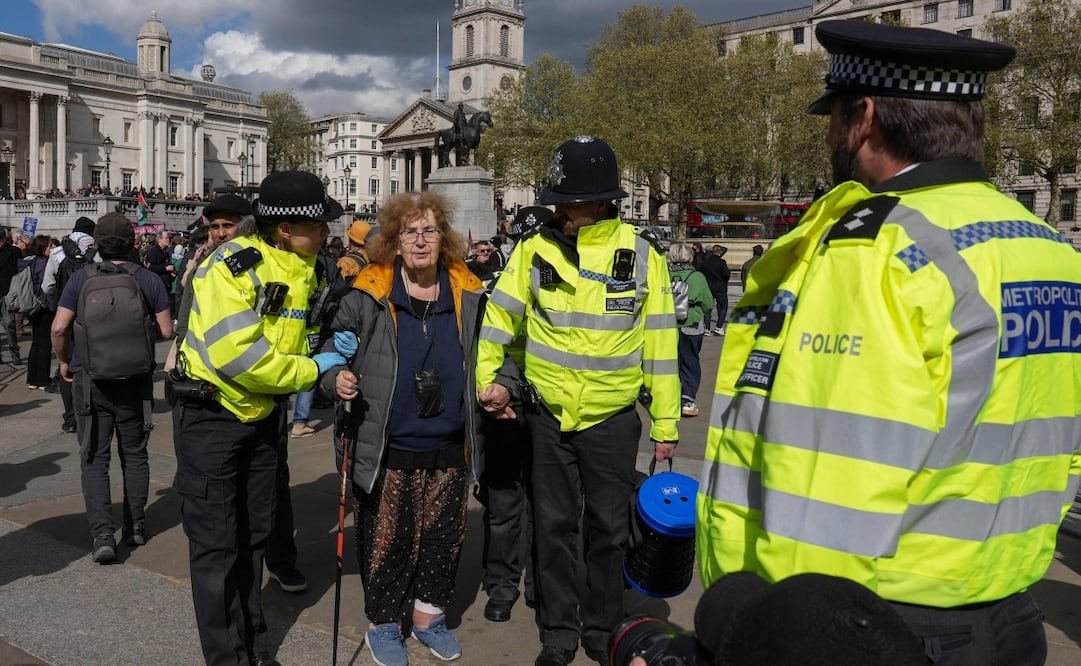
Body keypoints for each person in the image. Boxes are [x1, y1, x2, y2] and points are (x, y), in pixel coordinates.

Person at [697, 20, 1081, 666]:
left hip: (875, 624)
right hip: (1009, 610)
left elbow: (824, 488)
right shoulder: (1041, 246)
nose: (827, 134)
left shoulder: (876, 251)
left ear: (864, 117)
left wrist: (775, 633)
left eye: (832, 117)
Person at [476, 136, 680, 666]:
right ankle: (558, 633)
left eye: (570, 201)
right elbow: (499, 319)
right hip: (547, 415)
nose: (561, 210)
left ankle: (602, 628)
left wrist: (666, 423)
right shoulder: (533, 248)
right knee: (554, 526)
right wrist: (488, 379)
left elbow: (661, 343)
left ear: (600, 203)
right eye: (558, 202)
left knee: (609, 531)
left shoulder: (640, 254)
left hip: (611, 419)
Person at [172, 171, 345, 666]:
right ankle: (228, 658)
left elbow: (303, 331)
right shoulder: (233, 264)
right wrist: (314, 368)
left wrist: (328, 347)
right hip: (214, 418)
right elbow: (239, 358)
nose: (328, 233)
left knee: (250, 543)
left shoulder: (308, 267)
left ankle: (253, 646)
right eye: (320, 227)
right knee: (216, 552)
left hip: (263, 419)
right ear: (286, 229)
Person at [321, 190, 491, 666]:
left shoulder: (470, 293)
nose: (420, 241)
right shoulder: (367, 295)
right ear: (393, 242)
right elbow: (332, 350)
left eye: (430, 231)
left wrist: (502, 387)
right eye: (409, 232)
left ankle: (428, 618)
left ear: (445, 239)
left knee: (442, 537)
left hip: (451, 441)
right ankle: (385, 624)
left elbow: (497, 355)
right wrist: (337, 377)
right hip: (387, 442)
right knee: (387, 539)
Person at [50, 212, 172, 562]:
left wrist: (63, 362)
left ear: (98, 244)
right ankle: (135, 525)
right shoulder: (147, 279)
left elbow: (59, 328)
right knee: (134, 455)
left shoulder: (80, 279)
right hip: (134, 380)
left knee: (94, 458)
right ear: (133, 243)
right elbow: (165, 331)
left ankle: (103, 534)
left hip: (90, 379)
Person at [475, 205, 553, 626]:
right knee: (503, 504)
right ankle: (501, 585)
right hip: (505, 407)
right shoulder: (496, 288)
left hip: (546, 406)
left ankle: (540, 584)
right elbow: (485, 348)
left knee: (548, 504)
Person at [667, 242, 714, 418]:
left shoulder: (665, 274)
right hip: (690, 325)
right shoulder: (696, 277)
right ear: (690, 257)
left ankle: (669, 398)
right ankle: (687, 400)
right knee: (690, 362)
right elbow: (708, 302)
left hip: (667, 326)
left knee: (670, 363)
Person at [19, 235, 53, 389]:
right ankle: (42, 380)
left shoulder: (30, 261)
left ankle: (32, 379)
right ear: (42, 248)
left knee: (36, 342)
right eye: (49, 246)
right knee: (45, 344)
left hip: (32, 306)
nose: (52, 249)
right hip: (43, 306)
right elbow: (46, 286)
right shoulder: (42, 264)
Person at [0, 227, 22, 364]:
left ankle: (14, 352)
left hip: (8, 293)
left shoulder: (13, 252)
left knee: (9, 324)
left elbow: (20, 271)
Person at [698, 244, 730, 336]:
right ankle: (719, 327)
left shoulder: (706, 262)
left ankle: (707, 328)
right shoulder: (722, 262)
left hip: (709, 286)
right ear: (719, 252)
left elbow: (701, 272)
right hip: (720, 286)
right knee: (723, 306)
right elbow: (726, 274)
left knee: (708, 307)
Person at [145, 230, 176, 316]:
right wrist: (165, 268)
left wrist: (172, 270)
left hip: (166, 282)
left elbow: (168, 264)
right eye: (166, 238)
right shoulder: (153, 251)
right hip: (157, 282)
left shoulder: (166, 252)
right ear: (159, 239)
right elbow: (151, 267)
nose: (168, 240)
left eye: (168, 238)